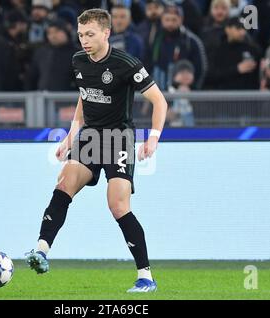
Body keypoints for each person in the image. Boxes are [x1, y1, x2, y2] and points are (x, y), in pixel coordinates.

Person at [25, 8, 168, 293]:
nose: (84, 41)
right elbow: (84, 97)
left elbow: (159, 101)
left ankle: (146, 276)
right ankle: (41, 251)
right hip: (90, 137)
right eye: (80, 35)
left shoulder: (126, 63)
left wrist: (153, 138)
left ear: (106, 33)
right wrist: (70, 137)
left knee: (117, 204)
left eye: (90, 34)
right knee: (64, 182)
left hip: (119, 137)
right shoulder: (78, 60)